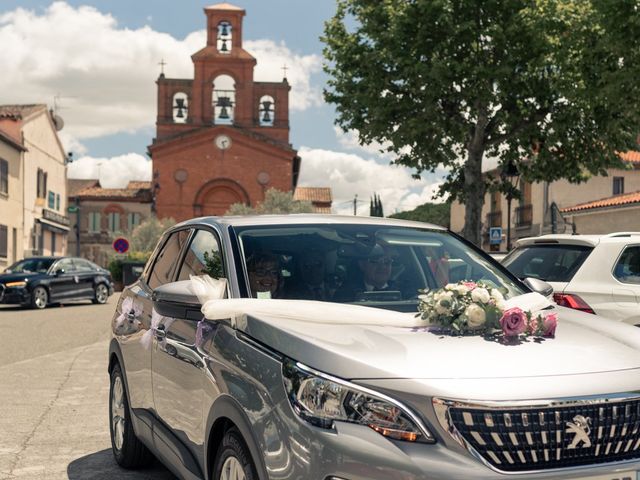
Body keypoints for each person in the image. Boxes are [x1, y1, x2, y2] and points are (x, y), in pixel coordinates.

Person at [333, 243, 401, 302]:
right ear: (362, 265)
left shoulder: (403, 290)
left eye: (387, 262)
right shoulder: (345, 293)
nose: (382, 267)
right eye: (375, 261)